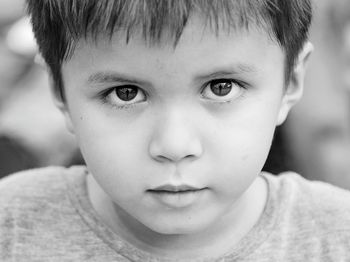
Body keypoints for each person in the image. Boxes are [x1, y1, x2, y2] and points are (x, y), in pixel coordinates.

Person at [1, 0, 350, 261]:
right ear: (60, 92)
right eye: (126, 93)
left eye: (222, 87)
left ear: (290, 81)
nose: (174, 145)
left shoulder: (336, 236)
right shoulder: (12, 224)